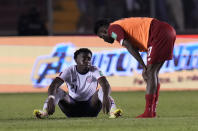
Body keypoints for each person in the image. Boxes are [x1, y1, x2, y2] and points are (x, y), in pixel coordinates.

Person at [94, 17, 176, 118]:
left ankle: (149, 112)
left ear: (103, 30)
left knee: (150, 73)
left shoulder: (112, 30)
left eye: (102, 37)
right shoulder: (120, 25)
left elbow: (128, 45)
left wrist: (142, 65)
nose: (104, 40)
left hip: (158, 33)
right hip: (166, 31)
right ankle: (152, 111)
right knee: (150, 74)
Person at [33, 48, 122, 118]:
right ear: (76, 60)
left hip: (91, 107)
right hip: (72, 108)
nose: (87, 61)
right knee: (57, 90)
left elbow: (105, 84)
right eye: (84, 59)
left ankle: (113, 111)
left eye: (89, 59)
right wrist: (51, 98)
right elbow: (54, 85)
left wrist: (105, 97)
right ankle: (44, 112)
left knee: (103, 90)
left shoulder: (95, 70)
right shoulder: (69, 70)